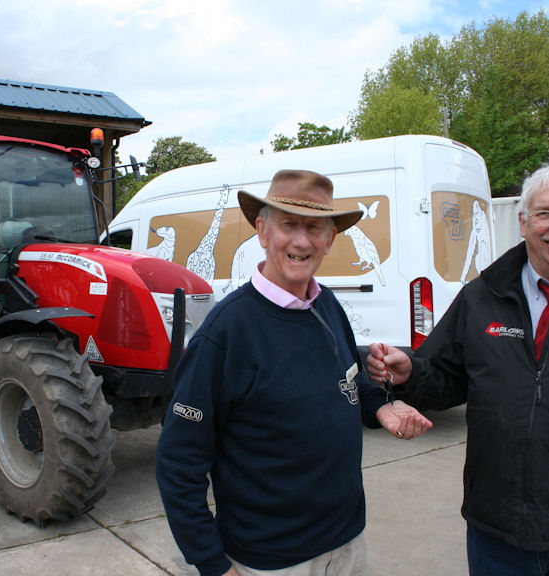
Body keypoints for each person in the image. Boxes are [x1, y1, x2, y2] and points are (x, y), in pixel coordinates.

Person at [367, 157, 549, 575]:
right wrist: (410, 373)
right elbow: (446, 378)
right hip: (498, 534)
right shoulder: (481, 298)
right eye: (544, 213)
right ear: (524, 223)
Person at [156, 169, 433, 576]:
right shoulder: (226, 333)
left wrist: (379, 407)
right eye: (289, 225)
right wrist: (213, 563)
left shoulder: (328, 307)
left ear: (330, 239)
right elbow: (178, 461)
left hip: (348, 545)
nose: (302, 241)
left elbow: (349, 378)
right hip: (269, 562)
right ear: (263, 231)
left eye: (315, 228)